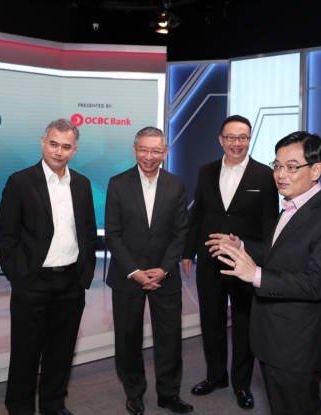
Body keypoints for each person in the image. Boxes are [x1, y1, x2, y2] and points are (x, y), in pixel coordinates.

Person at [215, 131, 321, 415]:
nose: (280, 175)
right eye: (277, 165)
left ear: (316, 170)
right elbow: (275, 252)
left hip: (295, 346)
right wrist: (242, 245)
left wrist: (256, 275)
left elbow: (316, 283)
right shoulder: (291, 205)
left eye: (291, 166)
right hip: (271, 337)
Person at [0, 119, 97, 415]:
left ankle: (54, 406)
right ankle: (20, 408)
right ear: (43, 142)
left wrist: (84, 275)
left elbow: (88, 232)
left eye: (66, 146)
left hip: (71, 283)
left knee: (61, 352)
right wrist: (20, 277)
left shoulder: (82, 184)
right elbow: (6, 236)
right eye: (53, 144)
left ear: (74, 150)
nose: (58, 152)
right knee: (25, 354)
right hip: (33, 283)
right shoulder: (20, 182)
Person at [181, 115, 278, 409]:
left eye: (243, 137)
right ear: (220, 140)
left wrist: (262, 258)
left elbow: (269, 224)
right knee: (210, 320)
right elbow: (198, 214)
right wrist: (187, 252)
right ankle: (215, 376)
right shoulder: (206, 171)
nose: (237, 143)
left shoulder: (265, 175)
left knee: (244, 324)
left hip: (245, 262)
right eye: (231, 137)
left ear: (249, 139)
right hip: (210, 260)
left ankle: (241, 384)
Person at [105, 127, 192, 415]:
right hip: (128, 276)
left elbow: (180, 232)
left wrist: (164, 269)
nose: (149, 156)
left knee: (170, 339)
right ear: (135, 150)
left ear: (165, 153)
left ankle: (169, 395)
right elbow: (113, 234)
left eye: (156, 150)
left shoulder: (176, 184)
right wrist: (135, 271)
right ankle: (134, 393)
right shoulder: (117, 184)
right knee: (128, 339)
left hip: (165, 276)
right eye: (143, 149)